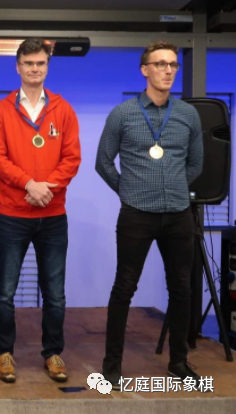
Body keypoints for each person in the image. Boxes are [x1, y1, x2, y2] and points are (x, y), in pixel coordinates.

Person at [96, 40, 203, 387]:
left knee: (182, 288)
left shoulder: (188, 114)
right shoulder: (123, 113)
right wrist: (128, 191)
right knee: (124, 287)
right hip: (137, 215)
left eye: (173, 65)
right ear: (145, 70)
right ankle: (112, 366)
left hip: (178, 214)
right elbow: (103, 162)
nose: (168, 71)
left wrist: (174, 187)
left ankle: (178, 362)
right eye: (160, 64)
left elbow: (196, 163)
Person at [0, 38, 81, 383]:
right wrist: (29, 184)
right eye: (28, 63)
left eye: (40, 63)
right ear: (18, 67)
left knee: (55, 294)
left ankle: (53, 353)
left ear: (47, 66)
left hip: (53, 217)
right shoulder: (0, 110)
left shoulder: (63, 109)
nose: (34, 69)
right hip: (12, 216)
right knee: (4, 292)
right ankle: (4, 354)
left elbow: (72, 158)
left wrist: (46, 188)